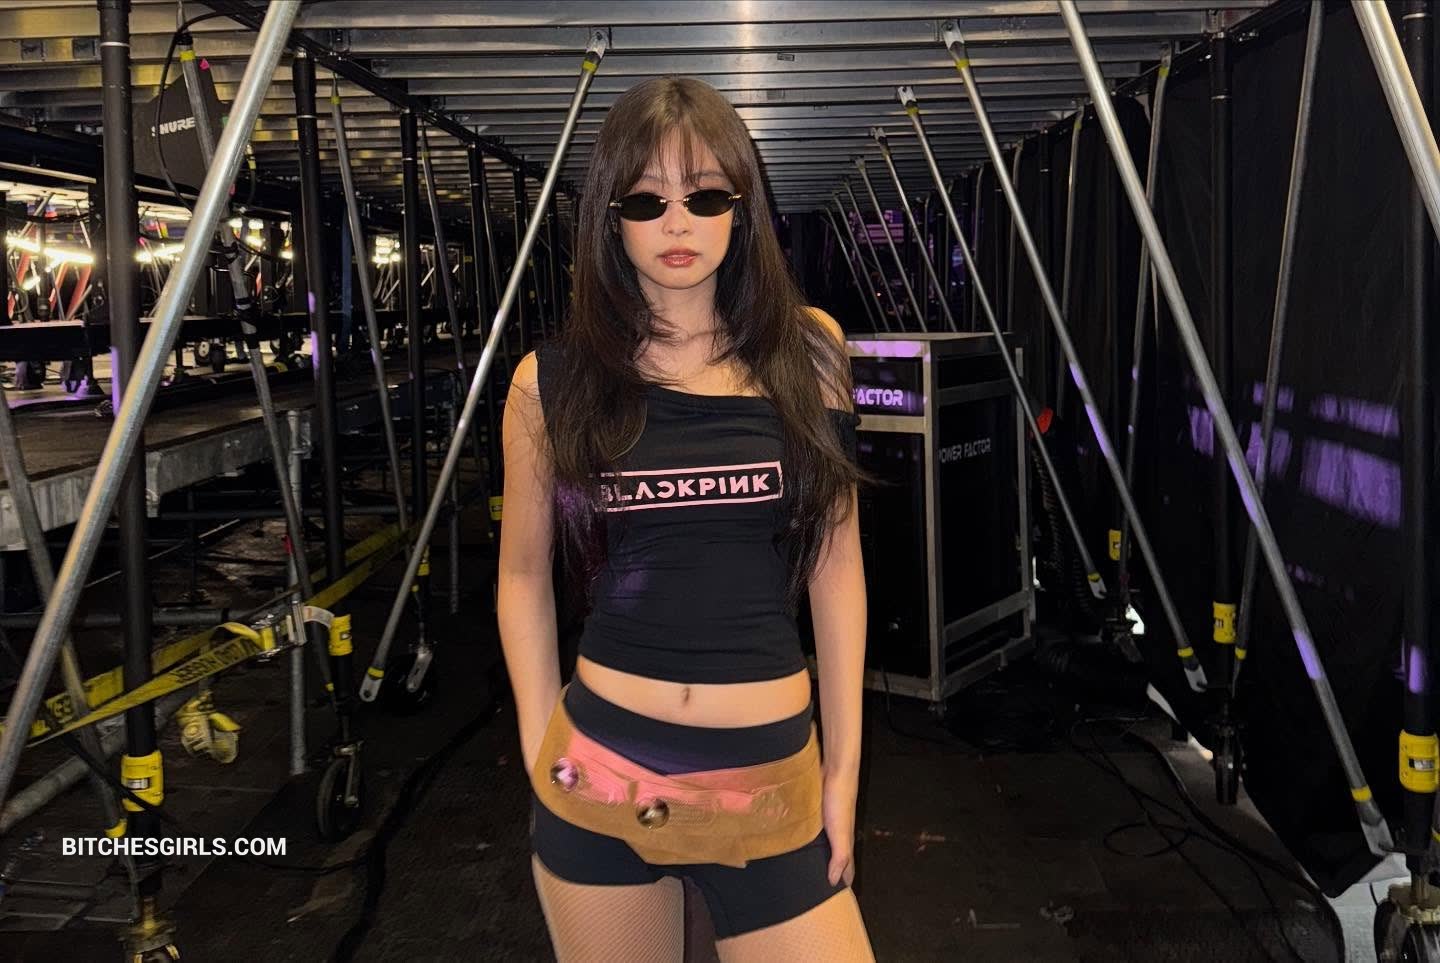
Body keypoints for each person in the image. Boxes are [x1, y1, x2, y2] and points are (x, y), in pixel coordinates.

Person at [497, 75, 874, 962]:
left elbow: (837, 567)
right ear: (610, 217)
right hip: (600, 773)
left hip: (769, 780)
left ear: (742, 208)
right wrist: (540, 747)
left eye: (705, 195)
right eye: (646, 199)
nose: (678, 222)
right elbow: (520, 576)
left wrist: (843, 771)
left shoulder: (810, 352)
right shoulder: (549, 383)